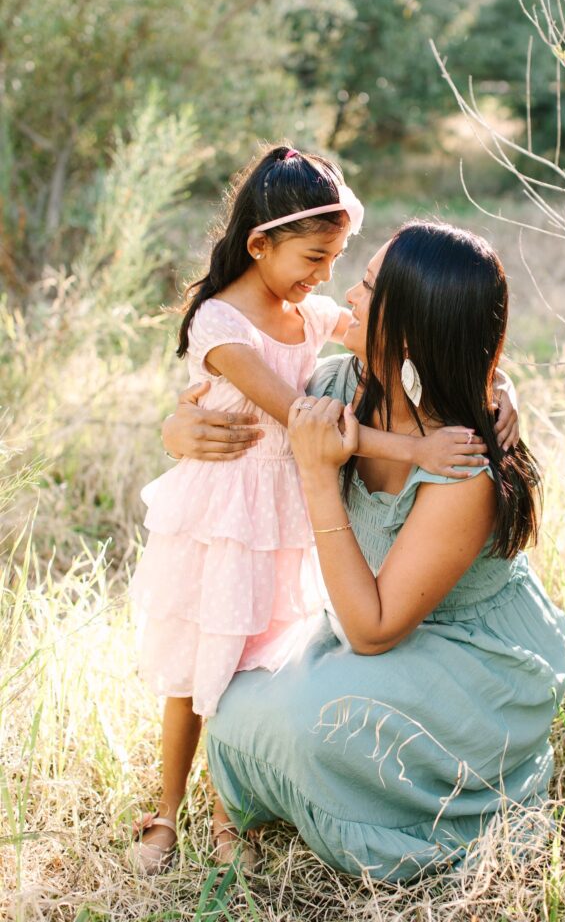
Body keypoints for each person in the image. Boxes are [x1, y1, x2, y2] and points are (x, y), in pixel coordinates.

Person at [128, 148, 503, 875]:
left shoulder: (303, 310)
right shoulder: (219, 325)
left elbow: (415, 333)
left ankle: (226, 811)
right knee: (194, 669)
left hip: (281, 514)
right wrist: (414, 451)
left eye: (338, 259)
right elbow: (305, 419)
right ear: (259, 243)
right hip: (224, 513)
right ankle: (165, 813)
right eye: (314, 256)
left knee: (251, 661)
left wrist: (499, 391)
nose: (326, 277)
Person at [163, 221, 565, 881]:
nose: (344, 297)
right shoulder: (333, 386)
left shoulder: (463, 460)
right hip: (363, 631)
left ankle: (417, 814)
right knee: (230, 699)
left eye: (366, 286)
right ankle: (310, 781)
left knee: (315, 726)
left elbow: (373, 629)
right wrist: (177, 430)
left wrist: (320, 478)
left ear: (410, 329)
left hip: (465, 660)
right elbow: (233, 424)